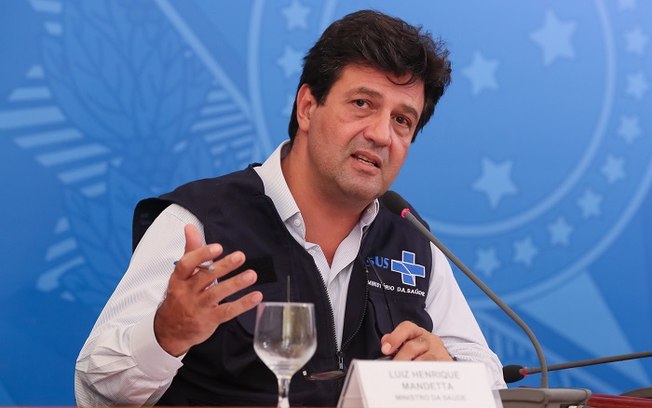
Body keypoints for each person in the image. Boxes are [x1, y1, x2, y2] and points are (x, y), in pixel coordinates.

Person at [75, 9, 506, 407]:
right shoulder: (199, 223)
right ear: (307, 107)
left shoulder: (412, 240)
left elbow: (488, 378)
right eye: (362, 104)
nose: (381, 134)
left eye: (402, 120)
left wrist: (449, 370)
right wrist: (165, 336)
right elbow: (95, 389)